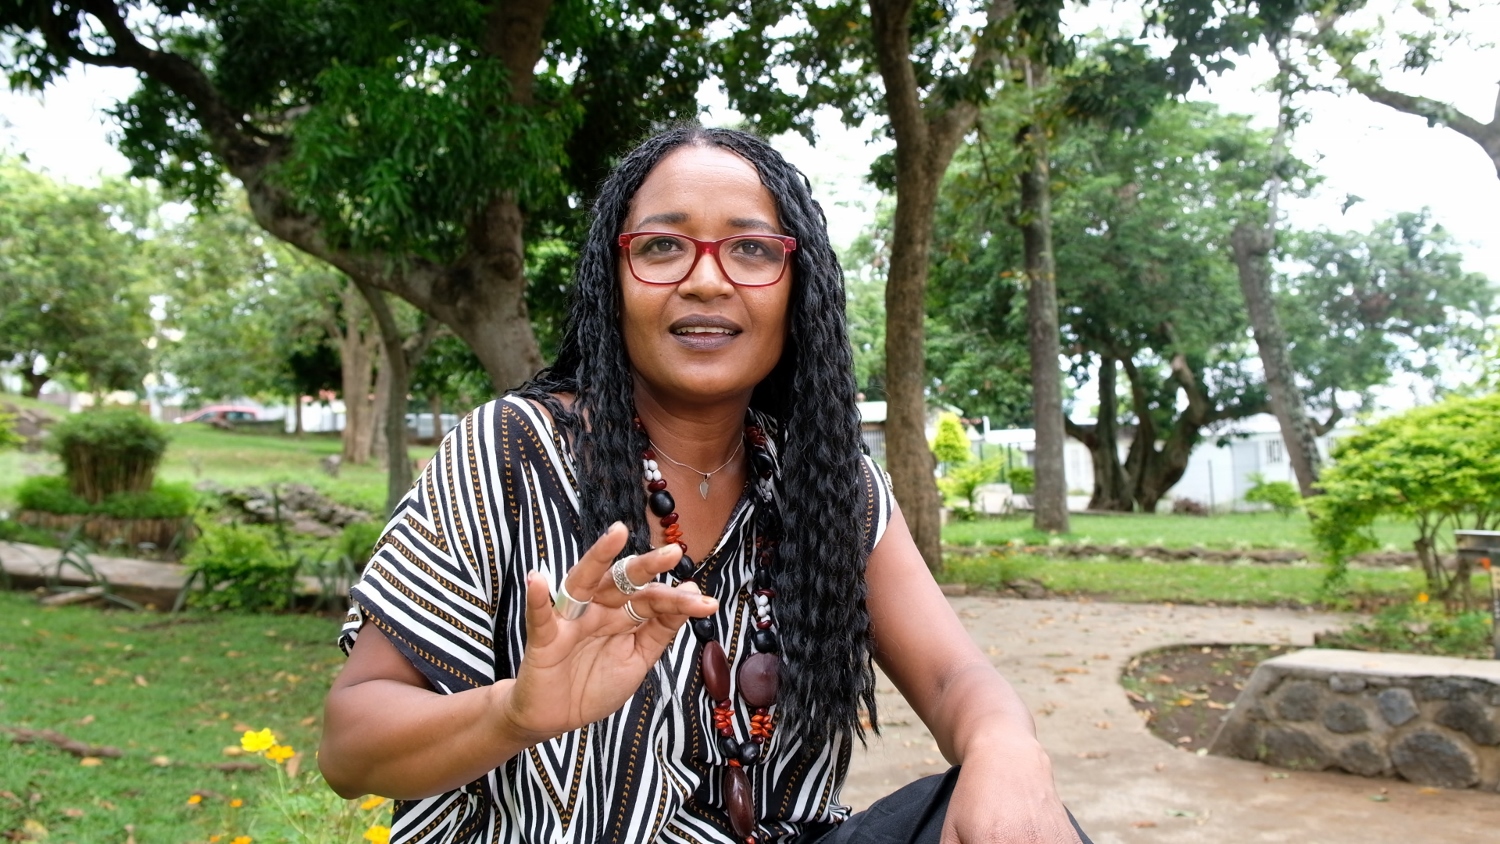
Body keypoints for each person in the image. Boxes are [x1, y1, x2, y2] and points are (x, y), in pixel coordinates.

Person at [319, 124, 1090, 844]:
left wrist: (1006, 746)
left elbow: (957, 676)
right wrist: (515, 714)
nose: (707, 281)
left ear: (800, 286)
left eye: (751, 250)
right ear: (612, 280)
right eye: (662, 246)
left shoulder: (825, 481)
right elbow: (350, 747)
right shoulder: (513, 452)